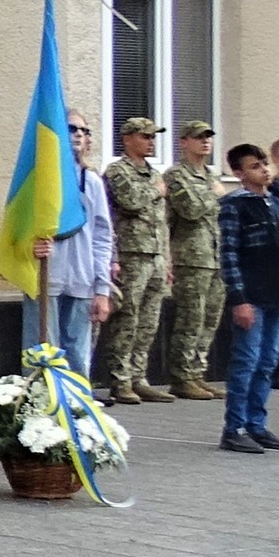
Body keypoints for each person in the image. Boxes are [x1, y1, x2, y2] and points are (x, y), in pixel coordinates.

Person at [22, 111, 116, 374]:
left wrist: (102, 289)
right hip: (46, 276)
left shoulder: (91, 181)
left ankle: (77, 399)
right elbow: (18, 225)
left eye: (84, 131)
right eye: (72, 128)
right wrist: (30, 246)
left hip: (82, 279)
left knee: (77, 357)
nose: (79, 134)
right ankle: (41, 399)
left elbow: (102, 237)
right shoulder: (36, 178)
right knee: (41, 354)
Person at [215, 144, 279, 453]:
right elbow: (229, 254)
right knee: (246, 360)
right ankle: (233, 428)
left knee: (267, 362)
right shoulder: (235, 205)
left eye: (263, 164)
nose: (263, 170)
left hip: (278, 292)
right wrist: (239, 299)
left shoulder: (277, 202)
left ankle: (256, 424)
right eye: (254, 166)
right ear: (239, 173)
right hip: (251, 294)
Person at [96, 116, 175, 403]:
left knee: (149, 321)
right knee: (127, 318)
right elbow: (130, 202)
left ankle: (139, 376)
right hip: (131, 255)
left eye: (153, 137)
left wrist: (167, 258)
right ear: (128, 139)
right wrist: (155, 191)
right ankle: (120, 380)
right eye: (145, 136)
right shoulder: (118, 171)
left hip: (155, 255)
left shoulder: (154, 173)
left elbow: (162, 220)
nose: (151, 142)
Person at [157, 122, 224, 401]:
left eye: (208, 137)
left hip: (214, 255)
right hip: (190, 257)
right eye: (199, 137)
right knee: (190, 319)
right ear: (184, 142)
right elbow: (191, 209)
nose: (205, 142)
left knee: (210, 319)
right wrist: (213, 192)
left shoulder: (209, 175)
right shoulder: (176, 175)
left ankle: (197, 372)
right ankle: (181, 376)